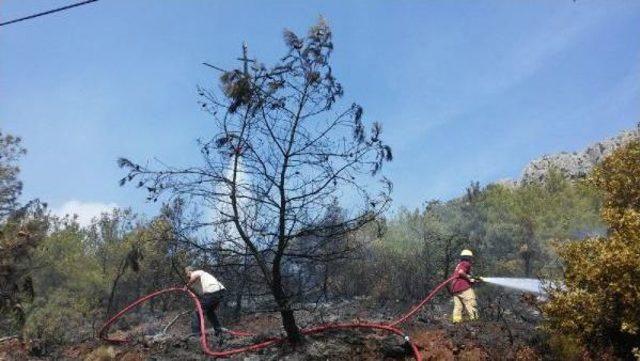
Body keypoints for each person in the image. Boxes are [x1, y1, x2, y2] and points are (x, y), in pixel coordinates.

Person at [185, 266, 226, 337]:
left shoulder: (196, 273)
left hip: (212, 292)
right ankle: (218, 331)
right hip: (220, 292)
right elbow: (202, 293)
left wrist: (187, 285)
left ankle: (196, 336)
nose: (187, 276)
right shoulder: (204, 277)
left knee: (196, 313)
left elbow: (194, 277)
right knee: (210, 312)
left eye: (187, 274)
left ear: (189, 272)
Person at [450, 249, 479, 323]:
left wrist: (472, 280)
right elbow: (461, 272)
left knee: (458, 307)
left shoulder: (459, 264)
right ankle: (475, 321)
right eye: (471, 258)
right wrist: (469, 278)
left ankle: (456, 322)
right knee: (471, 302)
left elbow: (461, 274)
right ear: (468, 257)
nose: (471, 259)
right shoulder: (466, 263)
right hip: (463, 287)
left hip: (455, 288)